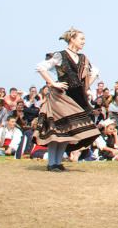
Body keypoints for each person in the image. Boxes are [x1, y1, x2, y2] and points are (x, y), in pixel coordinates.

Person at [34, 29, 101, 172]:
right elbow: (41, 67)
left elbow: (94, 71)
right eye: (81, 39)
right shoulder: (60, 55)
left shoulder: (83, 58)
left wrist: (86, 87)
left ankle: (57, 162)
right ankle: (52, 163)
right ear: (72, 39)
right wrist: (53, 83)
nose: (83, 42)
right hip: (60, 96)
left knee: (68, 131)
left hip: (76, 98)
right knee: (57, 130)